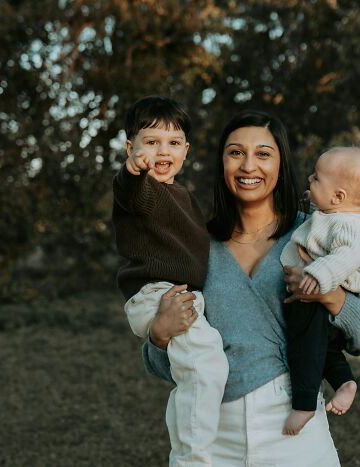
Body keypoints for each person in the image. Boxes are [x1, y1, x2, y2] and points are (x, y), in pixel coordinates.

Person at [143, 110, 360, 466]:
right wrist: (159, 337)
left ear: (281, 163)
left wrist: (328, 294)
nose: (248, 166)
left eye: (263, 153)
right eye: (235, 153)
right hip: (210, 440)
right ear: (222, 163)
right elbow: (162, 365)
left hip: (297, 436)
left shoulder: (319, 235)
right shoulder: (193, 248)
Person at [112, 96, 228, 466]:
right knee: (205, 365)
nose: (163, 151)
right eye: (151, 141)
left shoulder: (184, 198)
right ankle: (192, 460)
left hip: (178, 292)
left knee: (198, 372)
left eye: (173, 142)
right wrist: (132, 170)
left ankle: (194, 448)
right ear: (132, 147)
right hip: (158, 293)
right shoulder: (143, 190)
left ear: (186, 150)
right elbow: (131, 192)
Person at [280, 147, 360, 435]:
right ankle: (344, 381)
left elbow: (346, 256)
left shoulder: (346, 224)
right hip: (328, 288)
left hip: (328, 287)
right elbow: (318, 226)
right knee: (325, 348)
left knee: (305, 340)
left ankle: (303, 404)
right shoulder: (335, 213)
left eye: (315, 179)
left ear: (337, 196)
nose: (309, 180)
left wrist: (319, 275)